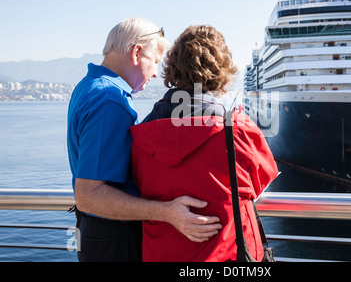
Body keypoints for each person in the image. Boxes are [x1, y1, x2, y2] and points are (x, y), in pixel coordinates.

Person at [67, 18, 222, 262]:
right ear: (137, 52)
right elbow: (88, 195)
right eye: (156, 62)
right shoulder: (109, 99)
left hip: (97, 233)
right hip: (114, 238)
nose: (156, 74)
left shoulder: (88, 86)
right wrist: (167, 212)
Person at [131, 25, 278, 262]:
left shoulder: (140, 136)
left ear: (172, 67)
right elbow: (260, 181)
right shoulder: (237, 130)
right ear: (220, 70)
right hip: (227, 255)